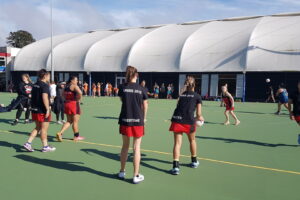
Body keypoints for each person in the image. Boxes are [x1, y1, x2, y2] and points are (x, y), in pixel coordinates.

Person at [117, 66, 148, 184]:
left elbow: (122, 100)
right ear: (137, 75)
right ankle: (136, 175)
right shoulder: (142, 89)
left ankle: (121, 172)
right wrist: (144, 118)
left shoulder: (122, 87)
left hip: (125, 120)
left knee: (125, 146)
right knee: (136, 148)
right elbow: (145, 105)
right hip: (137, 121)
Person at [169, 76, 204, 175]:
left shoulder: (182, 95)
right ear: (194, 84)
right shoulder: (197, 96)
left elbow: (178, 106)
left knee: (177, 144)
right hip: (189, 121)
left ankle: (175, 167)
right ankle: (194, 161)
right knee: (192, 140)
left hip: (177, 119)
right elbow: (198, 114)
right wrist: (201, 118)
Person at [23, 69, 56, 152]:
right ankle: (45, 146)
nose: (49, 77)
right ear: (45, 76)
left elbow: (31, 96)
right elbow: (44, 97)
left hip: (34, 109)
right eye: (48, 76)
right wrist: (47, 109)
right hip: (42, 110)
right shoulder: (44, 85)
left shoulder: (35, 84)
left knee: (38, 127)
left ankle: (28, 143)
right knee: (44, 129)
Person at [56, 76, 84, 142]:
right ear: (72, 80)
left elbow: (62, 94)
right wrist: (78, 99)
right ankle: (76, 136)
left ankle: (60, 133)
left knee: (69, 121)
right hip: (74, 104)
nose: (77, 81)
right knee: (75, 121)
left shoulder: (66, 86)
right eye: (76, 80)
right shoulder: (74, 86)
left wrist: (66, 99)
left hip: (67, 104)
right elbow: (80, 93)